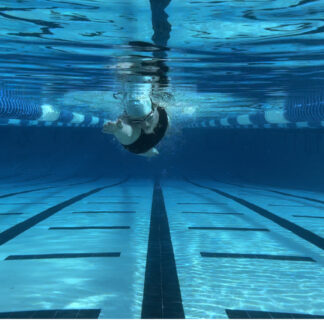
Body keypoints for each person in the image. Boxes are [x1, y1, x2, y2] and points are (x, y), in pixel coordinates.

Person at [102, 92, 169, 157]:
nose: (145, 124)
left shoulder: (159, 111)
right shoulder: (126, 119)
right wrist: (118, 129)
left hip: (160, 123)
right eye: (137, 121)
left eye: (148, 117)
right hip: (138, 143)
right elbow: (129, 132)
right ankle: (147, 152)